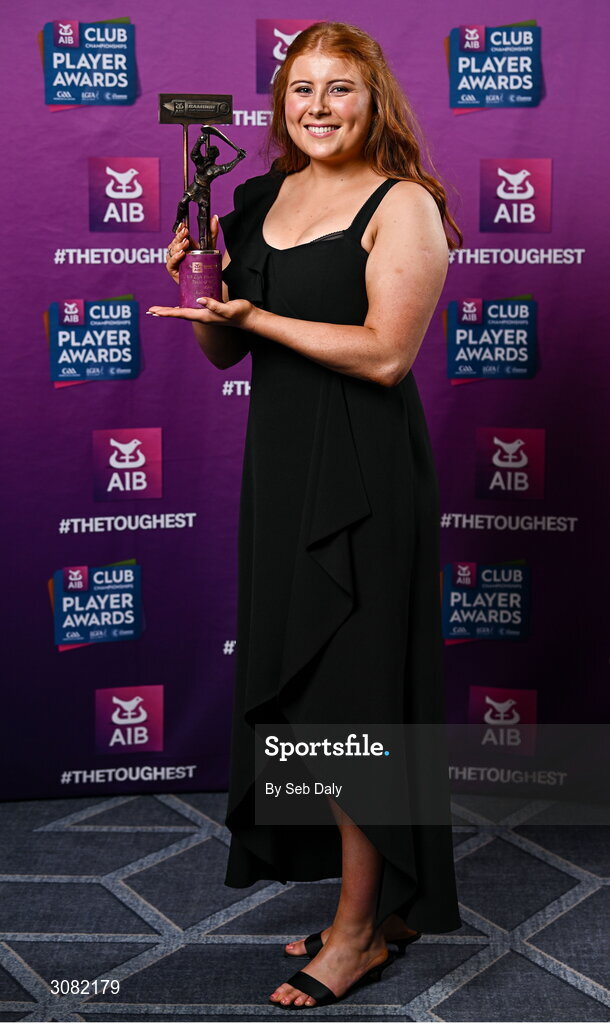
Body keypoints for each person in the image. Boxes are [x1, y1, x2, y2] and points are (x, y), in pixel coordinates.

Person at [148, 20, 463, 1010]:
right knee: (306, 686)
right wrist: (197, 298)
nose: (318, 109)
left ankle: (360, 931)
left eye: (339, 90)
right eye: (300, 92)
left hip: (365, 473)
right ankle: (379, 898)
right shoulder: (253, 198)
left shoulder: (402, 202)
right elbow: (226, 356)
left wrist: (257, 316)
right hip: (283, 468)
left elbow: (382, 355)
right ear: (277, 107)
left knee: (353, 695)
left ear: (374, 104)